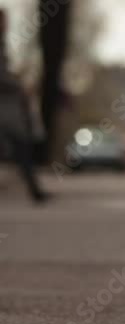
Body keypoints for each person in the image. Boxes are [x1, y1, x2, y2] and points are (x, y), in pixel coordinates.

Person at [0, 8, 50, 204]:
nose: (7, 25)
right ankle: (34, 190)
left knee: (22, 147)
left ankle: (35, 189)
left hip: (8, 105)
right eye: (4, 21)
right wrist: (18, 84)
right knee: (21, 144)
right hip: (5, 107)